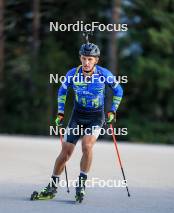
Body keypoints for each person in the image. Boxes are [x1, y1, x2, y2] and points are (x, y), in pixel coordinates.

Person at [31, 41, 123, 202]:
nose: (86, 62)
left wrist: (113, 110)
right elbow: (62, 90)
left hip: (96, 116)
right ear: (80, 58)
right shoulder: (73, 74)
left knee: (86, 145)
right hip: (77, 116)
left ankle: (81, 184)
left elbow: (118, 90)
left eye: (90, 59)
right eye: (84, 58)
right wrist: (60, 112)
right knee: (65, 153)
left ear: (96, 60)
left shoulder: (104, 74)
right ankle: (52, 187)